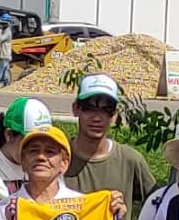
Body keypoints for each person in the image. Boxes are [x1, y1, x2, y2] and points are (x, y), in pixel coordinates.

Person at [62, 73, 156, 208]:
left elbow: (158, 206)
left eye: (106, 110)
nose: (97, 118)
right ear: (76, 109)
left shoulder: (130, 160)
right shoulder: (59, 158)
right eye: (89, 109)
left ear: (114, 115)